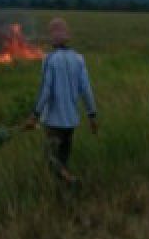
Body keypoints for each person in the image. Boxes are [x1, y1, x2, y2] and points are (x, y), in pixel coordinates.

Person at [26, 17, 97, 184]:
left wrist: (34, 115)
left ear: (52, 38)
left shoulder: (50, 60)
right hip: (71, 122)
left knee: (51, 159)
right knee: (63, 160)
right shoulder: (79, 59)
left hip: (53, 122)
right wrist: (92, 115)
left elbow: (46, 90)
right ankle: (64, 195)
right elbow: (86, 90)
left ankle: (72, 181)